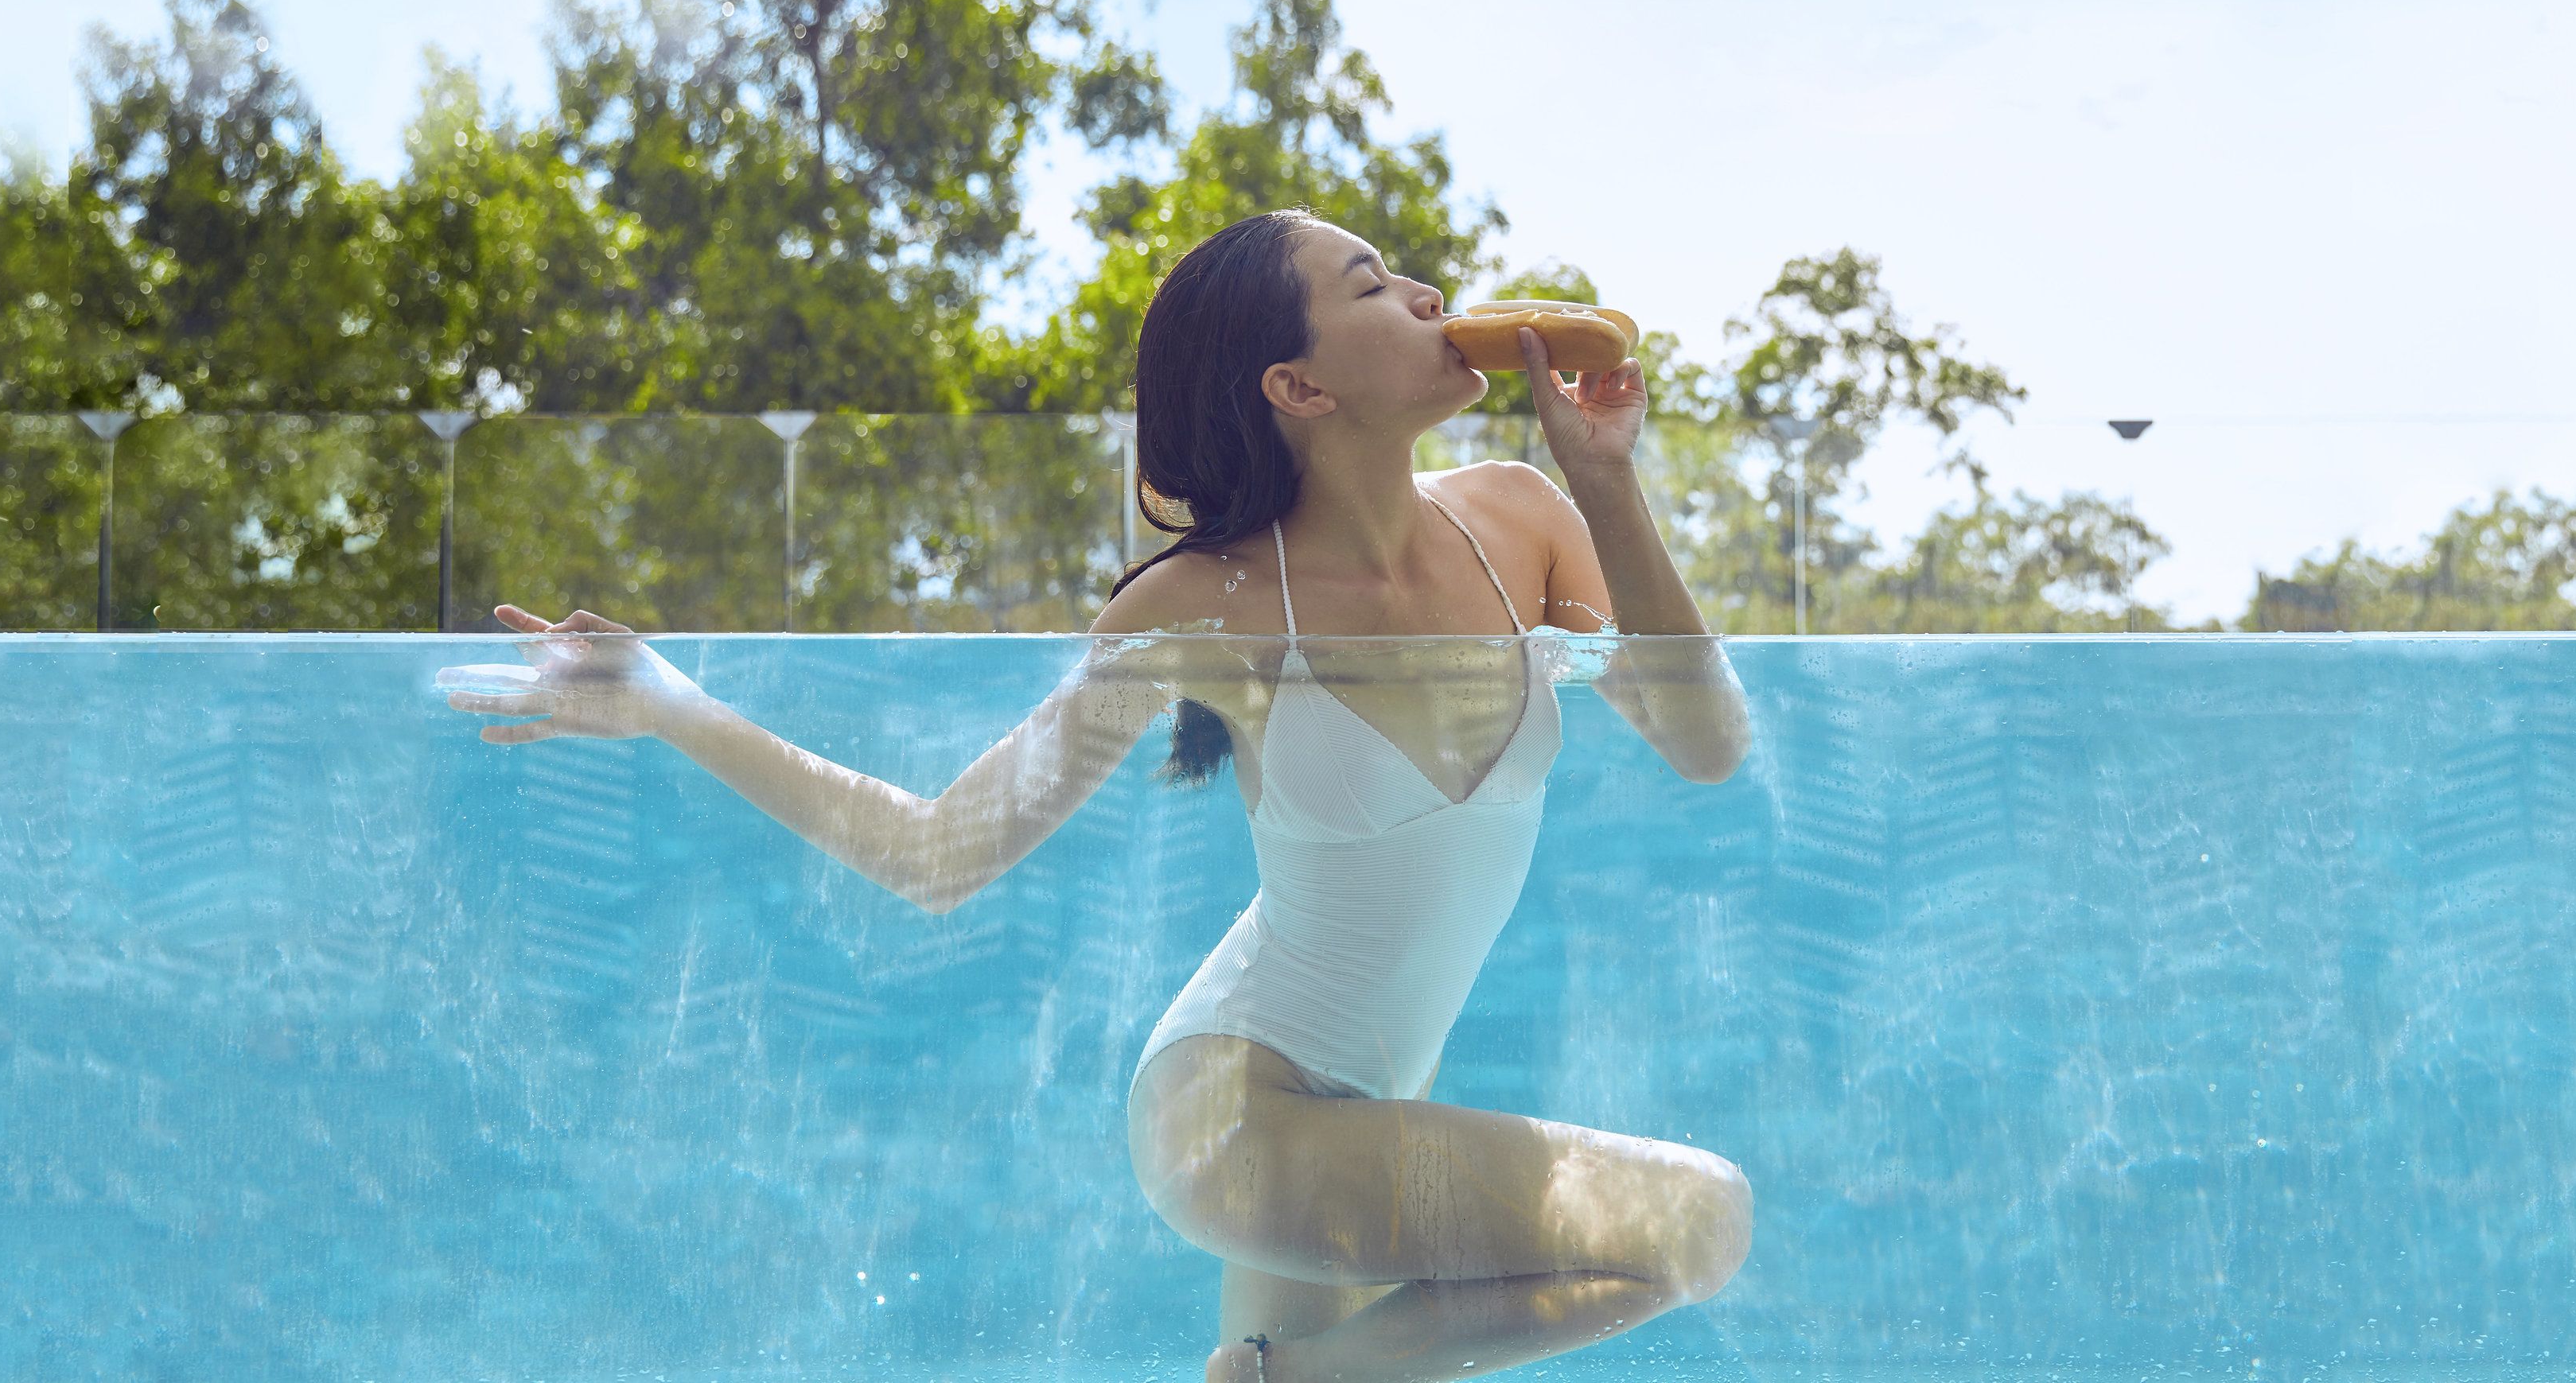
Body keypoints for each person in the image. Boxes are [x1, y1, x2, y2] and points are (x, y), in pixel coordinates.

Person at [441, 209, 1756, 1382]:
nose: (1425, 295)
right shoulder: (1204, 605)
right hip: (1238, 1118)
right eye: (1371, 286)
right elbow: (939, 849)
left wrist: (1608, 480)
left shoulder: (1525, 518)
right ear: (1296, 383)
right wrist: (670, 702)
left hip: (1371, 1120)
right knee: (1696, 1217)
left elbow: (1705, 744)